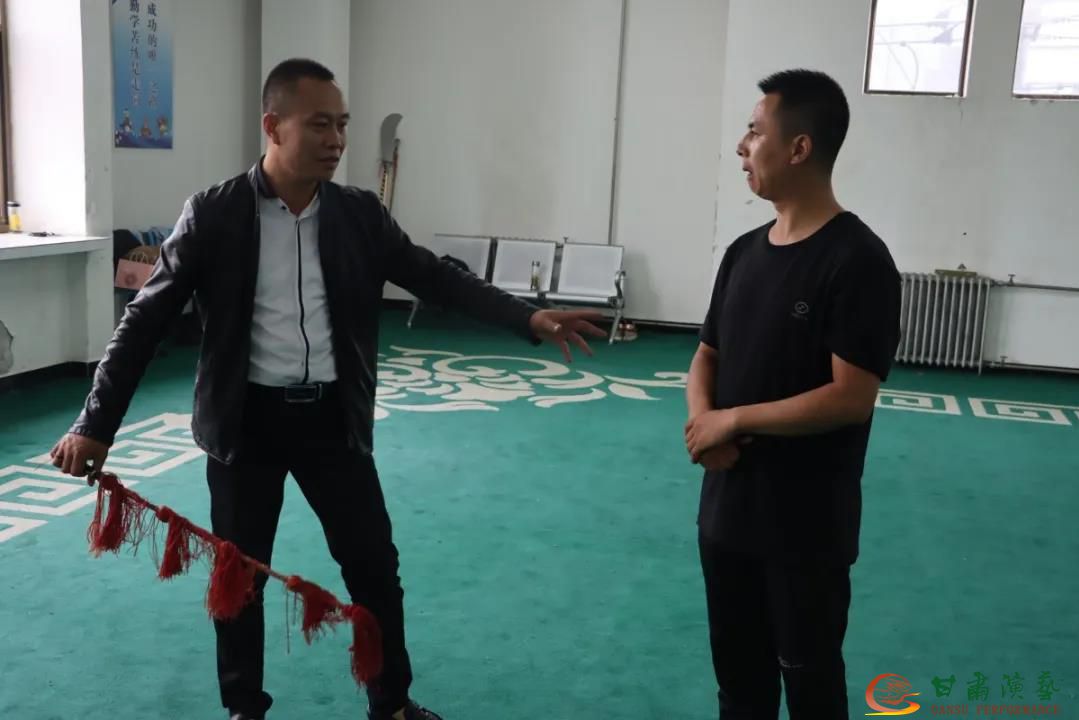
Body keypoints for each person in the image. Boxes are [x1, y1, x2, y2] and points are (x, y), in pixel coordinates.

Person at [50, 58, 605, 720]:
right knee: (239, 576)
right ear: (273, 126)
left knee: (374, 569)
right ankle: (244, 708)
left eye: (342, 125)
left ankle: (391, 703)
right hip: (244, 425)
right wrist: (95, 425)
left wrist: (527, 318)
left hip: (333, 424)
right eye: (320, 125)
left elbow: (435, 277)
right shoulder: (215, 214)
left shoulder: (359, 216)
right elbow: (143, 322)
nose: (337, 140)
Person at [683, 69, 901, 719]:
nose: (742, 145)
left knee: (811, 689)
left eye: (755, 131)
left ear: (799, 148)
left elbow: (849, 396)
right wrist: (702, 423)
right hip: (726, 519)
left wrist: (732, 421)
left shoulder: (858, 261)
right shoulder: (742, 253)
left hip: (804, 530)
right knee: (740, 690)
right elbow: (706, 355)